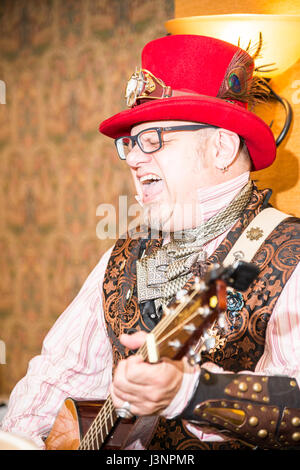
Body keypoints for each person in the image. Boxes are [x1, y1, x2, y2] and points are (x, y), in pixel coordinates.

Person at [1, 34, 300, 451]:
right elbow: (55, 375)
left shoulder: (291, 255)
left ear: (222, 146)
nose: (135, 158)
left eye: (155, 138)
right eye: (131, 143)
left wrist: (191, 392)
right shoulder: (121, 255)